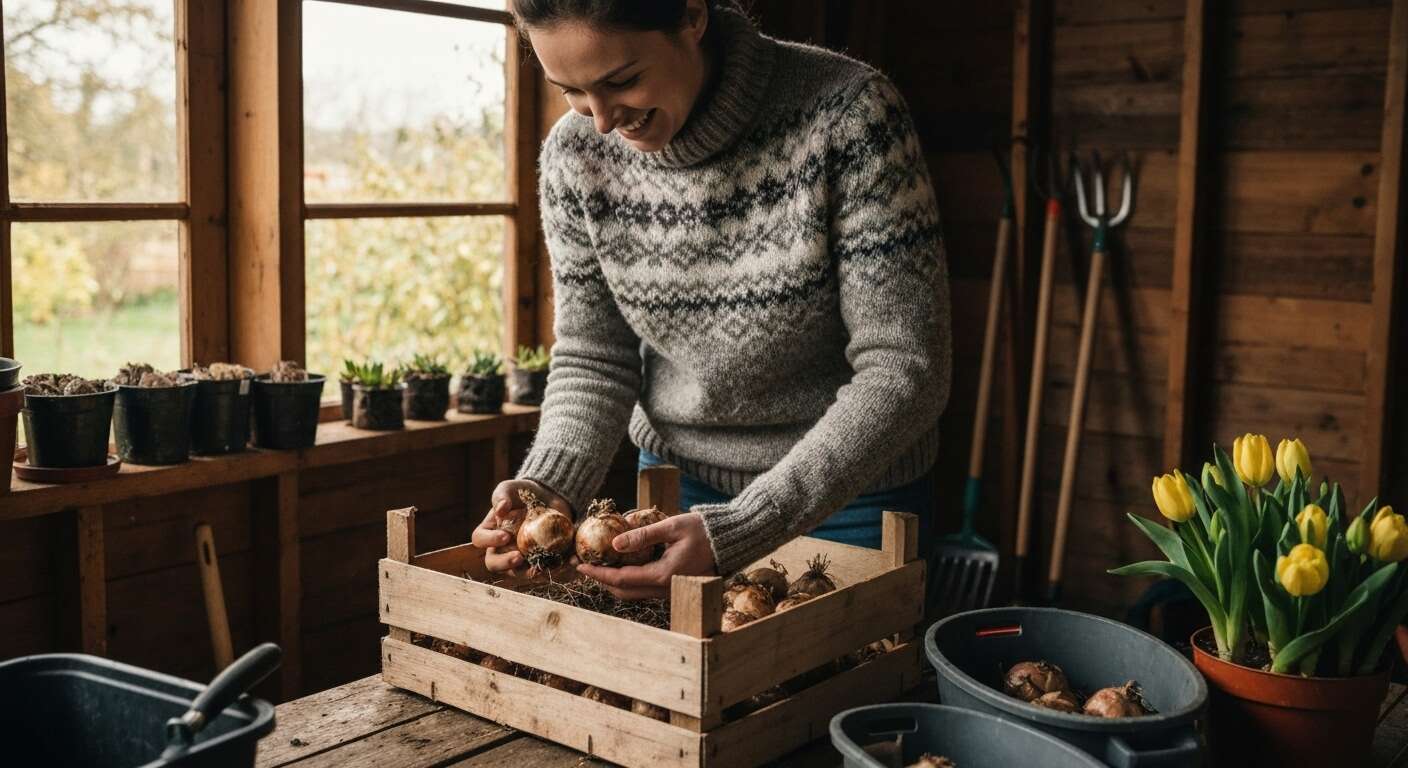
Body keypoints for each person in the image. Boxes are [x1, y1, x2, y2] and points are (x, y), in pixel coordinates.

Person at [471, 0, 951, 600]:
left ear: (692, 16)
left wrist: (746, 526)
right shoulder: (577, 157)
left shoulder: (851, 116)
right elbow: (595, 355)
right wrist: (548, 487)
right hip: (674, 493)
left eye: (622, 80)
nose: (600, 121)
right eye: (570, 91)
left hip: (850, 496)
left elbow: (906, 368)